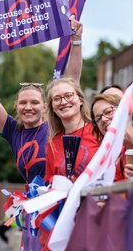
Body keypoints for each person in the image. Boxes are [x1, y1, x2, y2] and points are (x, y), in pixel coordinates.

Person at [0, 15, 83, 251]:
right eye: (23, 103)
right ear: (16, 107)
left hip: (62, 209)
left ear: (46, 107)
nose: (29, 107)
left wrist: (76, 40)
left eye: (35, 103)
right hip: (34, 211)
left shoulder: (55, 126)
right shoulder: (13, 131)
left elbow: (73, 82)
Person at [42, 77, 100, 250]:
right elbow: (49, 186)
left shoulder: (98, 132)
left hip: (95, 216)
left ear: (80, 100)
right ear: (52, 106)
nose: (63, 102)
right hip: (65, 222)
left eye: (68, 96)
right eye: (57, 99)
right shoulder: (52, 144)